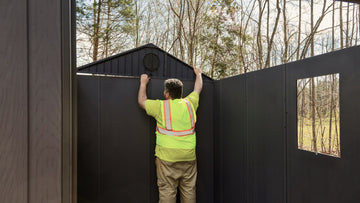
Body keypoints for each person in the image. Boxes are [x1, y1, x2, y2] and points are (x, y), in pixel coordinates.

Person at [138, 66, 203, 203]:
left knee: (167, 190)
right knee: (189, 189)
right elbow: (198, 89)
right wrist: (198, 74)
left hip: (166, 158)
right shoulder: (190, 103)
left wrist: (143, 83)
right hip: (188, 156)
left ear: (167, 93)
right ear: (181, 92)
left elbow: (142, 101)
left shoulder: (161, 107)